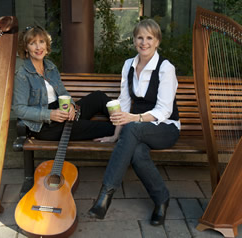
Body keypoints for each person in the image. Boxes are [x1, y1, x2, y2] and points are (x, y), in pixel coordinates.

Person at [88, 19, 180, 226]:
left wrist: (134, 119)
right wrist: (115, 135)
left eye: (149, 38)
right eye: (140, 37)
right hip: (136, 128)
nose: (144, 42)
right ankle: (161, 199)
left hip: (166, 128)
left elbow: (164, 110)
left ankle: (105, 195)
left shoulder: (166, 68)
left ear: (157, 42)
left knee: (134, 128)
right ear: (134, 40)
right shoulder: (128, 65)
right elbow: (125, 103)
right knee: (137, 152)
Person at [12, 26, 115, 142]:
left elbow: (62, 92)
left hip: (62, 112)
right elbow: (19, 109)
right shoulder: (22, 74)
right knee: (107, 128)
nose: (38, 47)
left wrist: (71, 104)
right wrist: (49, 114)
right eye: (32, 43)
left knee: (98, 97)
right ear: (26, 48)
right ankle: (126, 131)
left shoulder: (50, 66)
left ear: (46, 45)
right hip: (46, 126)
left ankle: (124, 122)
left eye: (41, 42)